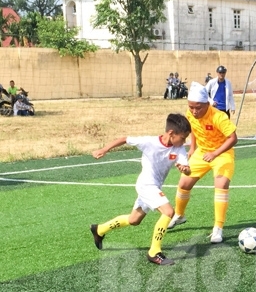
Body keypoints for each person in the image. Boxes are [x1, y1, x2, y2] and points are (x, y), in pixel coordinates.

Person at [89, 113, 192, 265]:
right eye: (183, 138)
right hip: (146, 185)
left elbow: (188, 170)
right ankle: (154, 252)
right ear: (171, 133)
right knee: (169, 212)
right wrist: (104, 149)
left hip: (154, 186)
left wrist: (185, 169)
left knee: (134, 220)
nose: (184, 141)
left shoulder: (179, 149)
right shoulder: (149, 142)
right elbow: (124, 139)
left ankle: (99, 229)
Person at [168, 82, 238, 244]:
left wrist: (215, 153)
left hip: (222, 153)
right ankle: (179, 215)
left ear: (207, 104)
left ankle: (218, 228)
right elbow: (193, 128)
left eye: (198, 108)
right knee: (184, 183)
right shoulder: (191, 114)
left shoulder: (219, 117)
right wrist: (193, 148)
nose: (194, 111)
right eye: (191, 107)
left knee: (221, 184)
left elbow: (233, 138)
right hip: (202, 152)